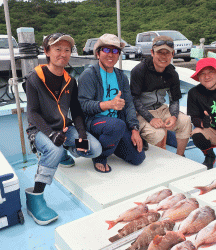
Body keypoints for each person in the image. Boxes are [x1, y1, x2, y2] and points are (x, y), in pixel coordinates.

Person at [24, 33, 102, 225]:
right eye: (58, 49)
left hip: (63, 129)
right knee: (53, 149)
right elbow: (32, 113)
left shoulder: (70, 80)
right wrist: (51, 134)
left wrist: (82, 135)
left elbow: (76, 111)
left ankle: (65, 153)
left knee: (94, 148)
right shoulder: (34, 78)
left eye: (67, 50)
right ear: (47, 52)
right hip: (40, 130)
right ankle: (36, 197)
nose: (63, 53)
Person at [77, 33, 146, 173]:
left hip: (115, 125)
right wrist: (108, 104)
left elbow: (129, 104)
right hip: (94, 123)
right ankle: (100, 156)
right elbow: (83, 106)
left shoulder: (121, 76)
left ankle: (111, 143)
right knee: (117, 125)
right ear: (97, 54)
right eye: (106, 50)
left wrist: (134, 129)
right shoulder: (89, 75)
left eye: (115, 51)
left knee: (138, 158)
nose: (111, 54)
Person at [130, 35, 192, 156]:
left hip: (161, 108)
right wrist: (151, 119)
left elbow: (174, 99)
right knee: (158, 134)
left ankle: (180, 156)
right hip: (142, 112)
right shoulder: (139, 70)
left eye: (167, 53)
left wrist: (174, 116)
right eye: (160, 52)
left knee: (185, 121)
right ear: (152, 53)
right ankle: (160, 161)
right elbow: (134, 99)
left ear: (172, 54)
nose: (164, 57)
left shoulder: (172, 73)